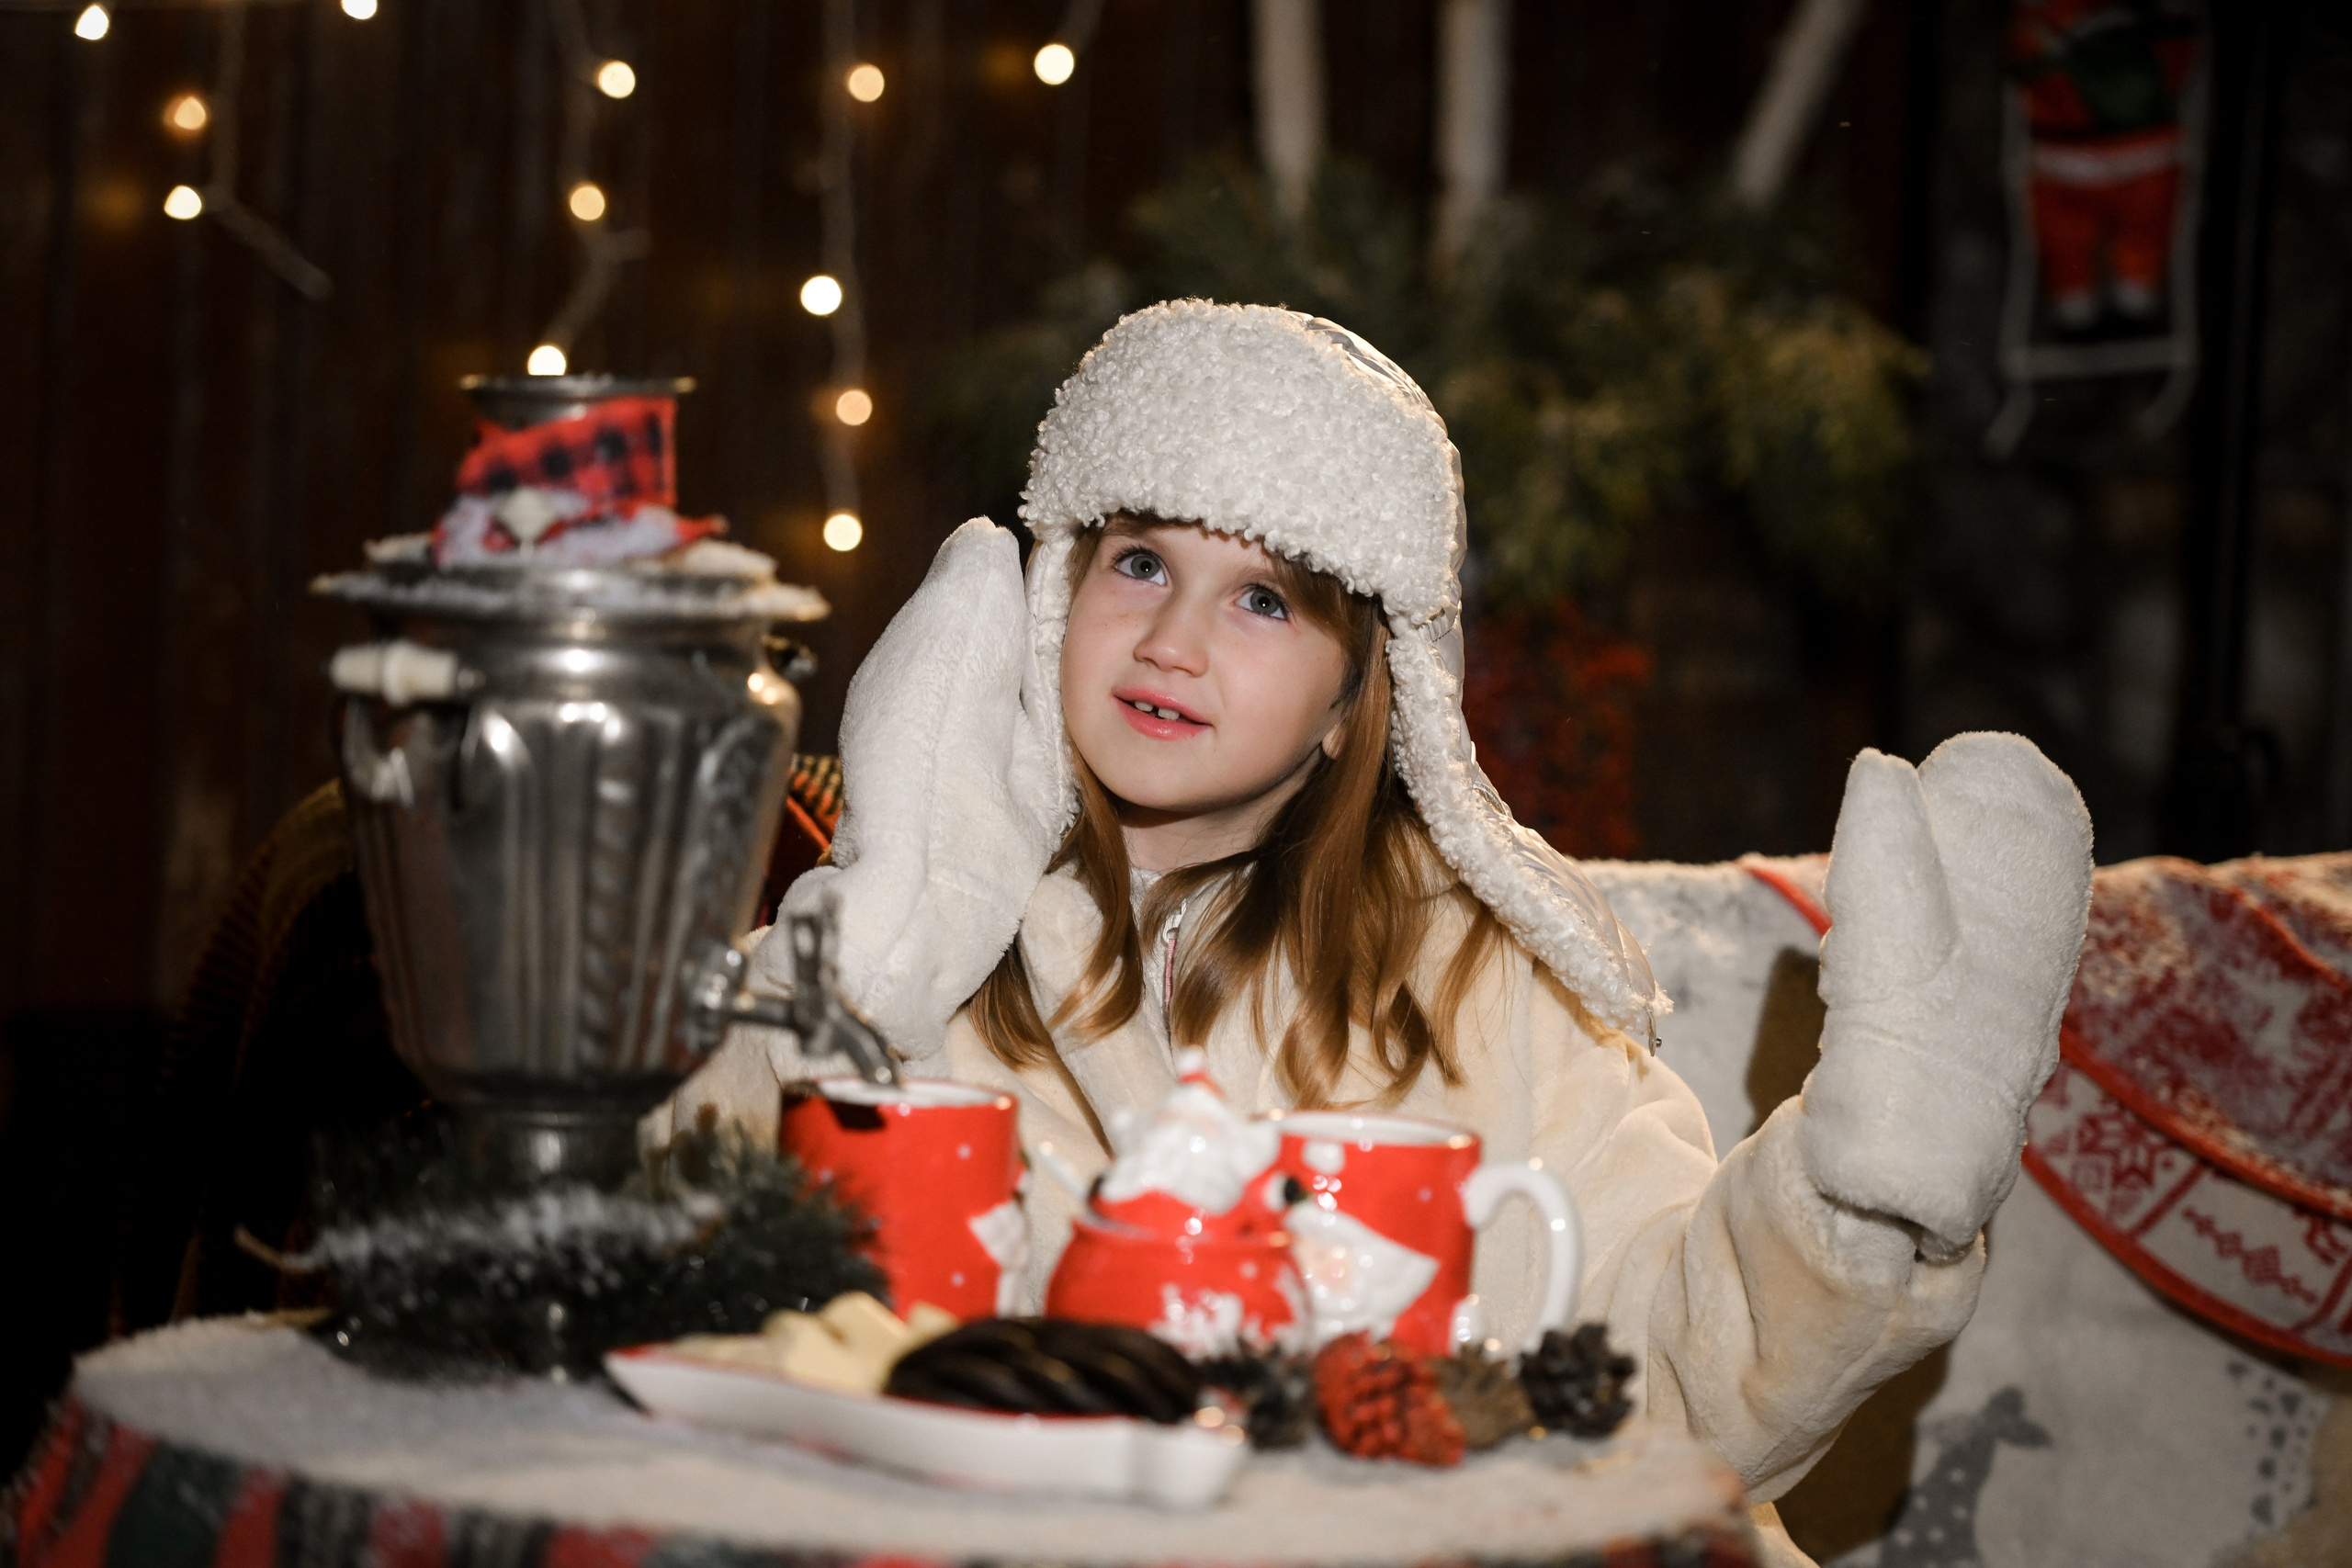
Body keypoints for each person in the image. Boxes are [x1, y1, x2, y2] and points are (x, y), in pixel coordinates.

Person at [679, 301, 2093, 1566]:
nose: (1173, 639)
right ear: (1052, 590)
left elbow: (1668, 1393)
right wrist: (859, 965)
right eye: (1137, 562)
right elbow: (656, 1271)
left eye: (1262, 597)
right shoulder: (923, 916)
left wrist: (1855, 1206)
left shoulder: (1484, 978)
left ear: (1366, 694)